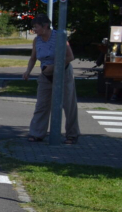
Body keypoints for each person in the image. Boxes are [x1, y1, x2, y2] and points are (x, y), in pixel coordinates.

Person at [22, 14, 79, 144]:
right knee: (42, 105)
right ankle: (37, 133)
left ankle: (72, 135)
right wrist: (28, 71)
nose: (34, 30)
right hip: (45, 75)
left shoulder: (59, 37)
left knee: (68, 105)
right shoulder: (37, 40)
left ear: (45, 26)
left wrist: (54, 67)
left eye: (36, 27)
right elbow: (33, 58)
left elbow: (70, 57)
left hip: (63, 73)